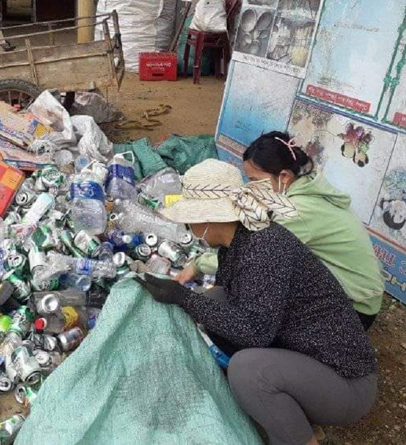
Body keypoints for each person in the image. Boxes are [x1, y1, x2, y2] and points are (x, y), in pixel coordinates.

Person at [135, 159, 377, 445]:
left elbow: (254, 332)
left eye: (190, 217)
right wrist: (190, 299)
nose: (188, 226)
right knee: (216, 300)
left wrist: (182, 296)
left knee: (248, 371)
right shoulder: (239, 241)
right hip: (304, 349)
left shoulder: (263, 251)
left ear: (209, 218)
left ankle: (303, 437)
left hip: (346, 382)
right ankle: (291, 415)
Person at [177, 131, 384, 329]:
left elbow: (253, 257)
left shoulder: (295, 213)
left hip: (356, 309)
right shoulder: (302, 188)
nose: (252, 189)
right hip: (356, 292)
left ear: (284, 176)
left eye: (256, 181)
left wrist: (198, 265)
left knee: (254, 302)